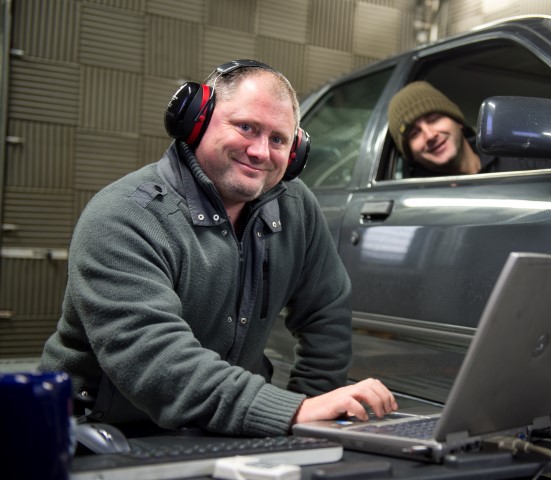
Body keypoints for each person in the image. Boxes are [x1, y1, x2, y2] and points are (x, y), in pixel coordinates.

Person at [40, 59, 397, 437]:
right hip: (103, 430)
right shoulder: (122, 215)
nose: (261, 152)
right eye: (246, 127)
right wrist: (291, 412)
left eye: (278, 139)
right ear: (196, 119)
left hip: (227, 429)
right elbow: (154, 358)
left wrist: (313, 409)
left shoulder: (295, 206)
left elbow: (327, 312)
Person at [387, 81, 547, 177]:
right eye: (414, 133)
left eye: (434, 119)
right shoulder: (419, 201)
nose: (430, 135)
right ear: (410, 154)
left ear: (458, 122)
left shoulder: (520, 159)